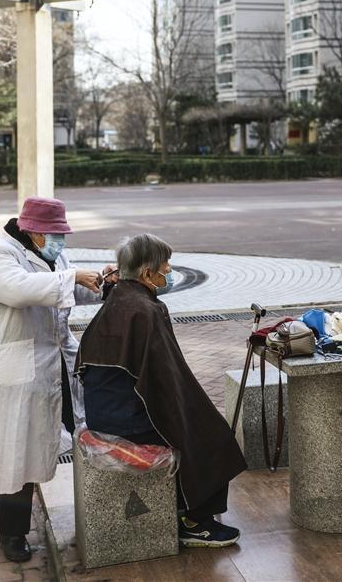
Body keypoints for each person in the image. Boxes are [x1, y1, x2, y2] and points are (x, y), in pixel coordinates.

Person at [76, 232, 247, 547]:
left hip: (106, 409)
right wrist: (193, 415)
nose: (168, 271)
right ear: (145, 272)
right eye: (165, 266)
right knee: (214, 436)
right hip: (127, 416)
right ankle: (195, 521)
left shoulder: (119, 297)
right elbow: (168, 382)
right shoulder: (146, 310)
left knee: (200, 423)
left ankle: (188, 506)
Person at [0, 197, 113, 563]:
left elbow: (68, 290)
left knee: (83, 429)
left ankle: (98, 506)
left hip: (58, 365)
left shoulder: (54, 258)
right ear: (33, 230)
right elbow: (21, 290)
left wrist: (100, 281)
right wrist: (69, 277)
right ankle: (13, 532)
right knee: (18, 450)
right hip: (21, 371)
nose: (61, 242)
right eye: (56, 234)